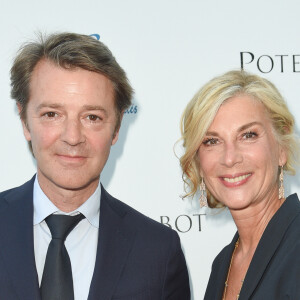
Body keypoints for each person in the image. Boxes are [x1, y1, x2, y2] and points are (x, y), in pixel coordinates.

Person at [0, 32, 190, 300]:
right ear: (24, 121)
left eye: (92, 117)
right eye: (52, 114)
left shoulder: (158, 250)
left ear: (116, 128)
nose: (73, 137)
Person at [180, 70, 300, 299]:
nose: (230, 157)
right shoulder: (222, 264)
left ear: (281, 148)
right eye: (211, 141)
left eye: (248, 135)